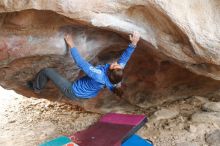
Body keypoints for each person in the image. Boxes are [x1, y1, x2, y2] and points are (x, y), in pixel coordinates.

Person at [27, 31, 140, 100]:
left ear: (111, 70)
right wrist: (134, 43)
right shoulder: (115, 77)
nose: (116, 63)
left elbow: (81, 63)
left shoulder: (99, 75)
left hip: (73, 92)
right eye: (118, 65)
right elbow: (125, 58)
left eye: (115, 65)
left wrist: (71, 44)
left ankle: (36, 88)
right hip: (86, 94)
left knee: (47, 71)